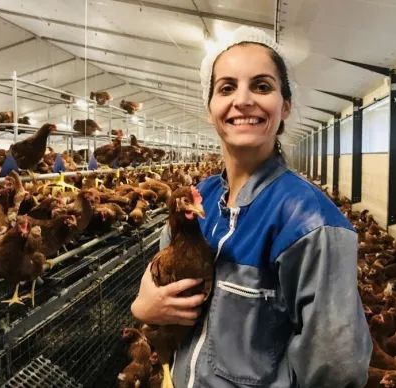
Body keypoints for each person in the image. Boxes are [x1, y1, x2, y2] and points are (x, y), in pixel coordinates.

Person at [130, 26, 371, 387]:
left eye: (261, 86)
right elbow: (156, 288)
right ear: (210, 110)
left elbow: (336, 368)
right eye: (227, 88)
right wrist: (142, 309)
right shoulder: (198, 201)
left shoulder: (311, 222)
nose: (243, 100)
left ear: (285, 106)